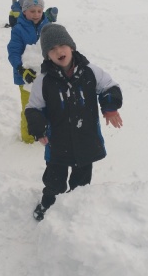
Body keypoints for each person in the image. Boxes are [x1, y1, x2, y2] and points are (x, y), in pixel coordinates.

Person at [25, 24, 123, 221]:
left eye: (62, 45)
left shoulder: (90, 71)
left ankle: (77, 211)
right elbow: (33, 107)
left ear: (71, 47)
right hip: (57, 142)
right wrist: (39, 128)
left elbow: (109, 86)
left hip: (86, 139)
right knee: (55, 181)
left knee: (81, 182)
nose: (58, 51)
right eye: (52, 49)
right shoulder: (43, 80)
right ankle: (48, 203)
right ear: (47, 55)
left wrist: (110, 106)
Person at [7, 0, 49, 143]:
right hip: (26, 78)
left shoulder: (47, 27)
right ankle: (29, 139)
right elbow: (13, 52)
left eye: (39, 11)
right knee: (30, 108)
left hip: (46, 76)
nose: (36, 14)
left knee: (48, 106)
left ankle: (46, 132)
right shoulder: (18, 29)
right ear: (24, 11)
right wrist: (21, 69)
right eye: (32, 11)